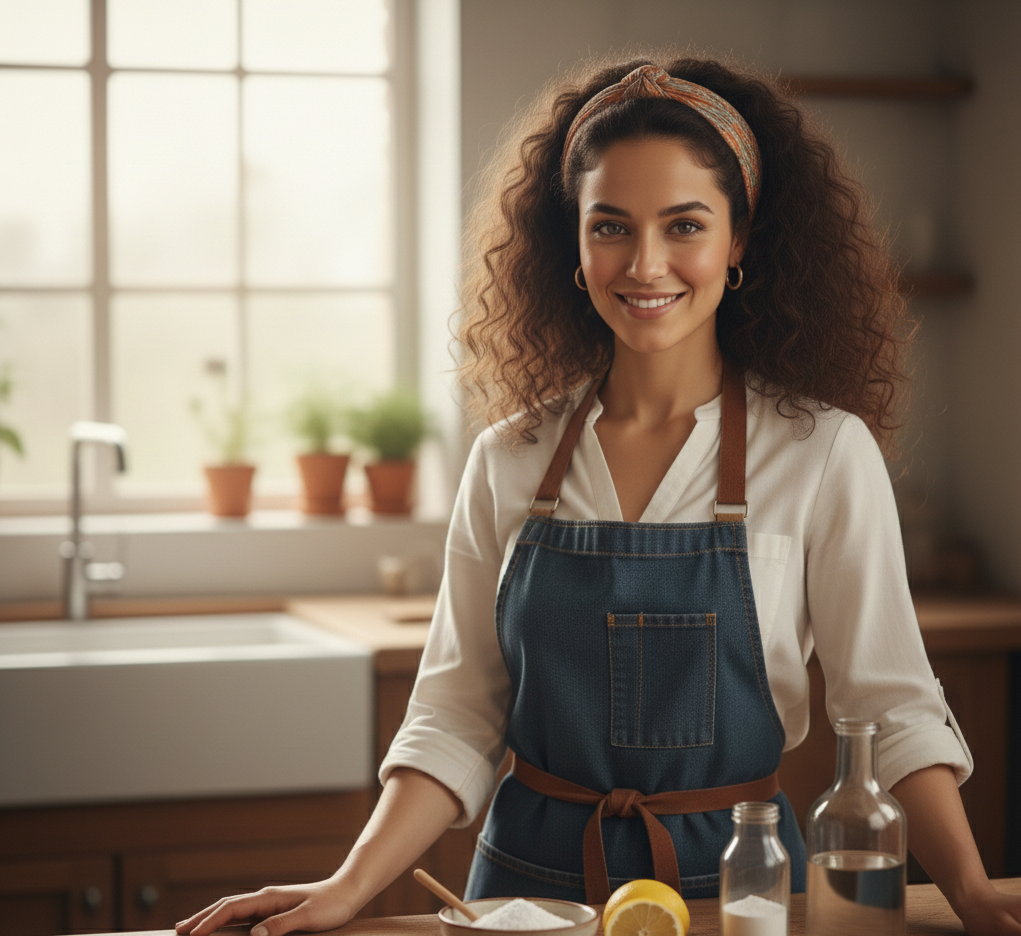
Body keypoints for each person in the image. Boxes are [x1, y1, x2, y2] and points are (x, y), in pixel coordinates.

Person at [177, 54, 1021, 936]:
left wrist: (966, 887)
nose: (646, 264)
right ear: (572, 246)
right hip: (520, 900)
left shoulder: (818, 452)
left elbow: (886, 706)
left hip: (742, 898)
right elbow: (454, 718)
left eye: (684, 225)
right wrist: (347, 888)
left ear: (739, 241)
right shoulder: (509, 459)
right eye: (610, 226)